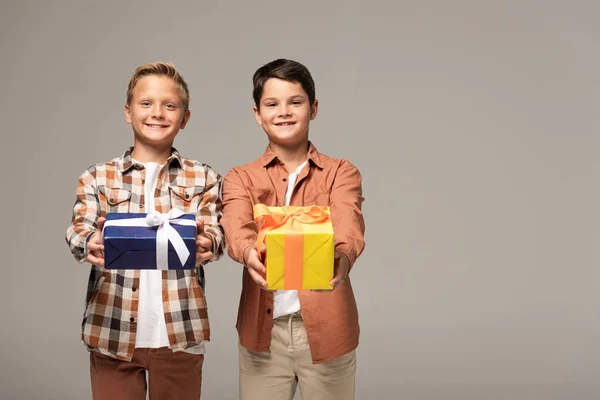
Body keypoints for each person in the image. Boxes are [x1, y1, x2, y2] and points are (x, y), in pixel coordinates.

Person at [65, 62, 223, 399]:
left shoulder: (204, 177)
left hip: (180, 334)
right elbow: (79, 229)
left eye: (170, 105)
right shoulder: (98, 177)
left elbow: (215, 231)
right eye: (146, 103)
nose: (158, 113)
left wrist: (209, 242)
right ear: (128, 111)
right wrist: (88, 242)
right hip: (112, 333)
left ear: (185, 117)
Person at [221, 58, 366, 400]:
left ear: (313, 108)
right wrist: (246, 253)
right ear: (257, 114)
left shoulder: (340, 172)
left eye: (295, 102)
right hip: (263, 333)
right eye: (272, 104)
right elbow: (235, 224)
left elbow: (348, 221)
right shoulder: (240, 177)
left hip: (329, 329)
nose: (283, 112)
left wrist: (342, 257)